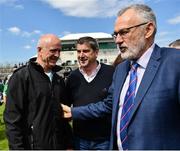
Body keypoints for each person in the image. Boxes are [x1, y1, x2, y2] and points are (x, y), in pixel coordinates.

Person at [62, 4, 180, 150]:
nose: (117, 40)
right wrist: (74, 112)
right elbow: (108, 105)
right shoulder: (121, 70)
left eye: (124, 32)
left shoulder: (175, 62)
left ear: (148, 30)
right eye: (116, 34)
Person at [4, 34, 73, 149]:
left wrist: (69, 144)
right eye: (53, 50)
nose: (57, 55)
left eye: (59, 51)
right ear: (39, 50)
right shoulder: (21, 77)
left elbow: (63, 118)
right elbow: (12, 120)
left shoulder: (59, 80)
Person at [66, 36, 114, 150]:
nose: (81, 55)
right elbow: (66, 108)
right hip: (80, 140)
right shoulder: (73, 77)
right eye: (78, 51)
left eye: (86, 51)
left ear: (96, 52)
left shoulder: (111, 72)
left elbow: (111, 106)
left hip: (104, 140)